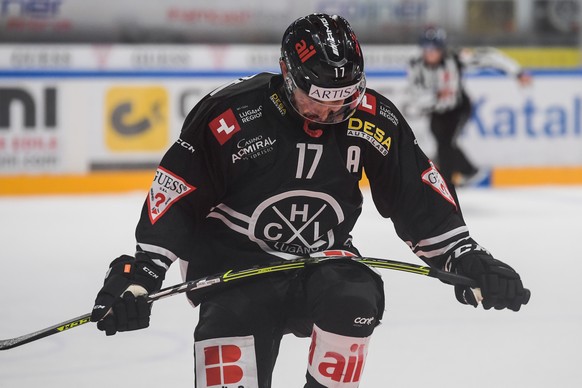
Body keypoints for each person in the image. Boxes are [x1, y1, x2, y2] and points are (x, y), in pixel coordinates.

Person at [91, 14, 529, 388]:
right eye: (317, 103)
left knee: (355, 298)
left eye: (344, 103)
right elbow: (178, 195)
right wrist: (142, 271)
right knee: (232, 324)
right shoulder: (231, 116)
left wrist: (466, 258)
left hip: (323, 260)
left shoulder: (374, 120)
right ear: (287, 76)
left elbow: (416, 196)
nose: (330, 116)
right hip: (235, 267)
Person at [407, 26, 532, 186]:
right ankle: (469, 171)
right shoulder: (415, 66)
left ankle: (446, 184)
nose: (431, 53)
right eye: (427, 48)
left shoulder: (456, 58)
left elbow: (489, 57)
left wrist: (517, 72)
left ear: (442, 48)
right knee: (442, 142)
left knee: (446, 144)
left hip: (459, 108)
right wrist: (435, 96)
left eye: (435, 49)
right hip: (436, 111)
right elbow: (415, 97)